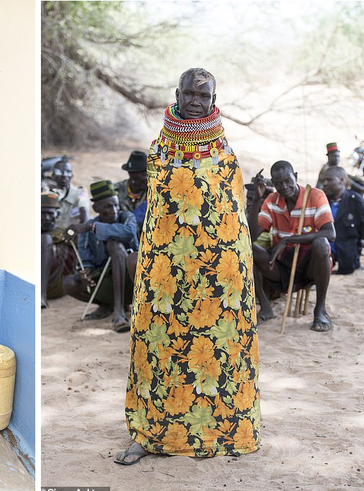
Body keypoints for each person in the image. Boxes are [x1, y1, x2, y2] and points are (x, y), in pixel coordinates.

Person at [116, 68, 260, 465]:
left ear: (214, 101)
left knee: (217, 351)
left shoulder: (225, 155)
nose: (196, 101)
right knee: (157, 346)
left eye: (204, 95)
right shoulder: (159, 149)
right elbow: (158, 212)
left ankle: (215, 433)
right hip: (165, 271)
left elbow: (232, 217)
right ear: (176, 94)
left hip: (216, 274)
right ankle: (151, 434)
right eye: (190, 94)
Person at [248, 160, 335, 332]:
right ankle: (265, 308)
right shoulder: (272, 200)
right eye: (278, 183)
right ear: (273, 183)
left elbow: (330, 234)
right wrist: (258, 200)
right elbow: (251, 234)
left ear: (295, 176)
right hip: (281, 264)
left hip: (311, 266)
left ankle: (320, 310)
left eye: (288, 180)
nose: (284, 186)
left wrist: (287, 240)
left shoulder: (315, 195)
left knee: (321, 243)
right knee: (247, 248)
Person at [63, 180, 137, 333]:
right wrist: (87, 271)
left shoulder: (126, 217)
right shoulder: (87, 228)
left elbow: (128, 233)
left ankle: (120, 312)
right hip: (106, 281)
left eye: (116, 205)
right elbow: (85, 258)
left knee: (114, 245)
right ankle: (108, 305)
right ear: (96, 208)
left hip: (132, 281)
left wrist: (92, 227)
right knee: (70, 283)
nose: (114, 210)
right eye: (108, 207)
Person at [322, 166, 364, 274]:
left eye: (329, 180)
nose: (325, 183)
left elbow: (363, 227)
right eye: (324, 180)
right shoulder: (322, 199)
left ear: (342, 180)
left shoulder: (355, 200)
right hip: (325, 253)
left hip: (347, 257)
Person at [41, 192, 76, 308]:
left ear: (57, 214)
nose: (46, 218)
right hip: (33, 284)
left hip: (57, 285)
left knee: (46, 239)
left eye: (50, 214)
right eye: (42, 214)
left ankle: (42, 295)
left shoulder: (66, 232)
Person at [42, 158, 89, 241]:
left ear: (72, 176)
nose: (64, 175)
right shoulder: (45, 191)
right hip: (48, 235)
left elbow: (84, 212)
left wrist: (73, 232)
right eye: (59, 172)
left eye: (68, 172)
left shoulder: (80, 192)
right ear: (52, 175)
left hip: (70, 234)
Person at [114, 150, 149, 232]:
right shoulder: (115, 191)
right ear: (132, 175)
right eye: (145, 175)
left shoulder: (152, 193)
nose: (149, 178)